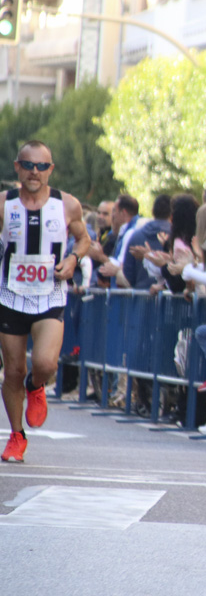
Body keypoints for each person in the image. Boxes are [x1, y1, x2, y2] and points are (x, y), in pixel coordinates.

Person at [1, 141, 92, 463]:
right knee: (12, 370)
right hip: (11, 295)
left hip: (50, 293)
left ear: (51, 169)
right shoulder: (4, 204)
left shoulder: (67, 205)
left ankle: (36, 386)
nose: (34, 172)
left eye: (42, 166)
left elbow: (84, 239)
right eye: (28, 165)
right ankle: (16, 436)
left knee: (45, 364)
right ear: (17, 167)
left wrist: (73, 260)